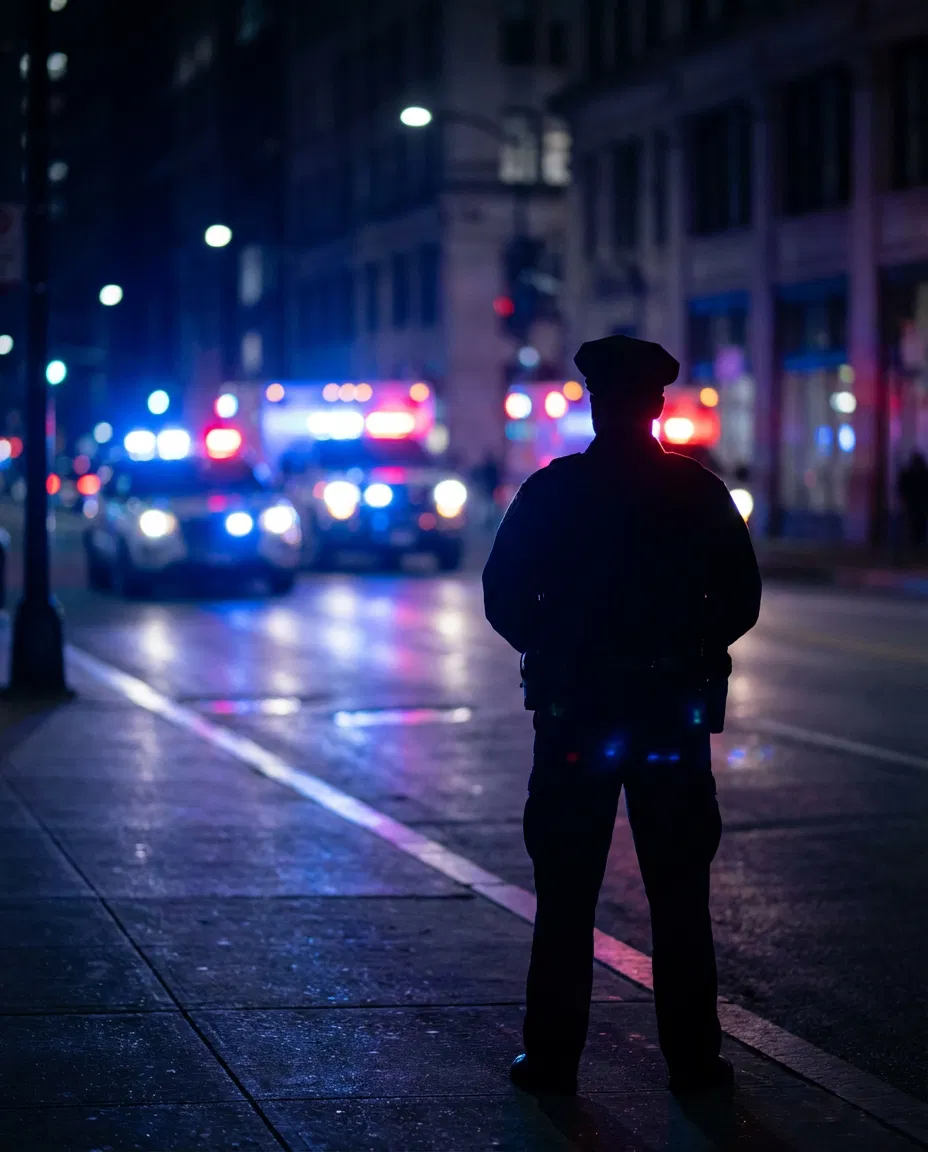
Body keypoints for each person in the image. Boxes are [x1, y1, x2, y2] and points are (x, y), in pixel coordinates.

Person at [483, 334, 761, 1098]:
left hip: (576, 717)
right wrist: (692, 646)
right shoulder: (697, 493)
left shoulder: (553, 490)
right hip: (670, 715)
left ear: (595, 404)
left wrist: (556, 648)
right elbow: (741, 599)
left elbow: (503, 595)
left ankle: (550, 1061)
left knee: (566, 895)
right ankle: (695, 1065)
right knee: (679, 898)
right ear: (658, 406)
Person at [897, 450, 928, 552]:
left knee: (914, 528)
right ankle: (915, 548)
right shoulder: (920, 473)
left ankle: (914, 548)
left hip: (914, 506)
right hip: (918, 506)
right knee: (917, 528)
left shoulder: (911, 473)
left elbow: (902, 487)